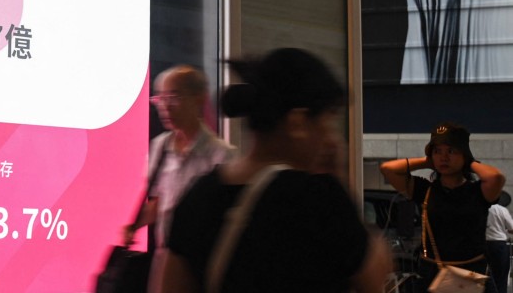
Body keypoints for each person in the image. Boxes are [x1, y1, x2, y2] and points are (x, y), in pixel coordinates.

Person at [159, 48, 391, 293]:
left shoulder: (200, 195)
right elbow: (375, 279)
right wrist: (337, 178)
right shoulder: (319, 199)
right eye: (327, 121)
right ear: (297, 123)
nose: (331, 138)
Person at [122, 65, 234, 289]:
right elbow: (158, 202)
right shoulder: (160, 147)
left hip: (203, 262)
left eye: (173, 98)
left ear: (199, 99)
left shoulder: (221, 155)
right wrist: (134, 226)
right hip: (165, 258)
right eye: (159, 99)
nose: (164, 107)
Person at [380, 123, 506, 293]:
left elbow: (496, 177)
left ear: (464, 154)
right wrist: (427, 161)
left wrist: (469, 162)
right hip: (433, 277)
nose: (443, 157)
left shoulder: (478, 191)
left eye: (451, 151)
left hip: (473, 276)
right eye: (437, 151)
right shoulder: (425, 190)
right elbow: (388, 169)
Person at [485, 196, 513, 293]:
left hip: (482, 245)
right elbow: (512, 228)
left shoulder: (479, 208)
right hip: (499, 244)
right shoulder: (501, 210)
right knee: (501, 276)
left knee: (485, 275)